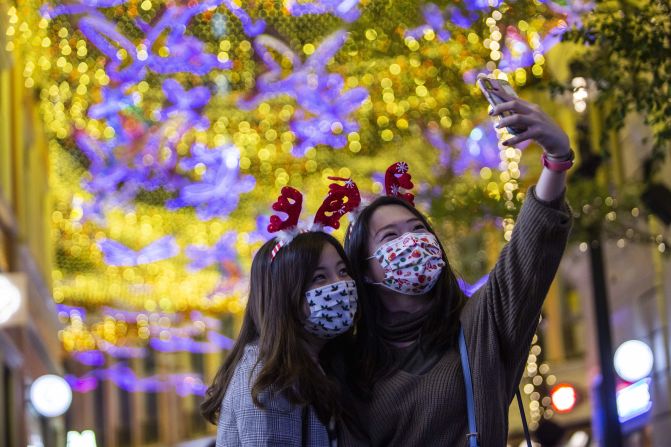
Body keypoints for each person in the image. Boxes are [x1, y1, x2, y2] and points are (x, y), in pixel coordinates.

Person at [339, 85, 574, 446]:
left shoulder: (478, 325)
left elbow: (527, 255)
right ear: (364, 271)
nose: (411, 241)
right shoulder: (348, 365)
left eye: (418, 229)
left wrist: (557, 159)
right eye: (390, 237)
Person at [201, 180, 361, 447]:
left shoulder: (313, 363)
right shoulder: (269, 381)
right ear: (283, 294)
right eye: (319, 278)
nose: (339, 285)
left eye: (342, 271)